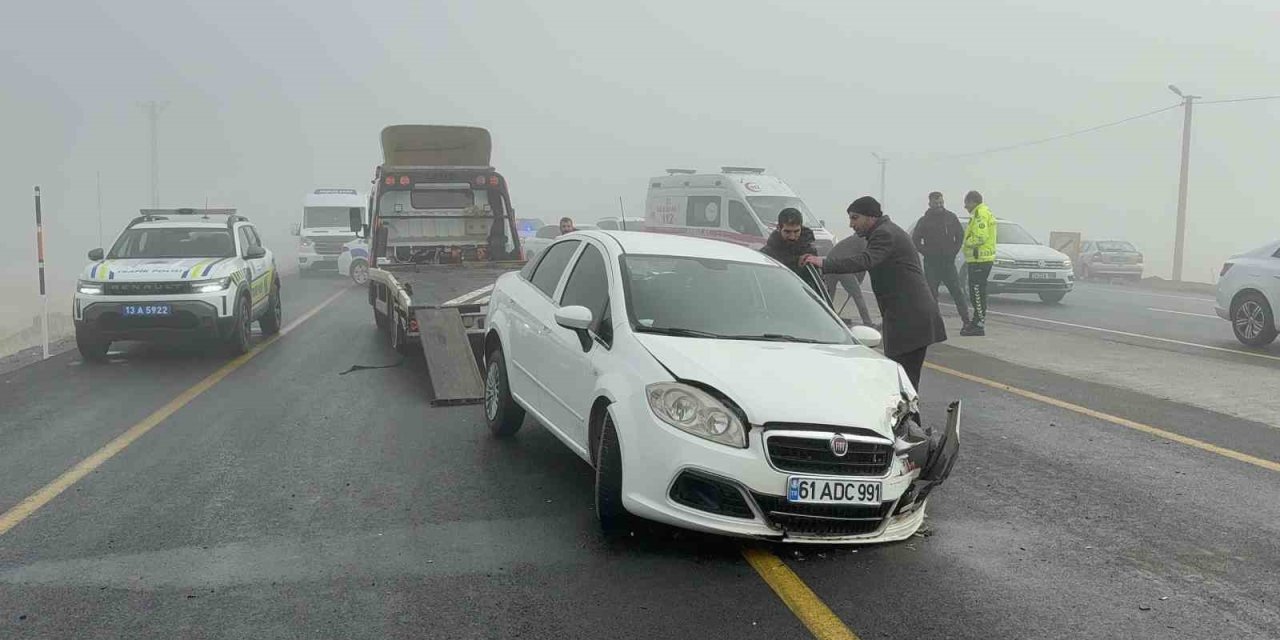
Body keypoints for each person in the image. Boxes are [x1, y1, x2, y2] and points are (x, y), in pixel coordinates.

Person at [802, 196, 946, 392]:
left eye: (855, 218)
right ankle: (910, 421)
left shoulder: (884, 234)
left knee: (903, 382)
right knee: (903, 381)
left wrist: (824, 263)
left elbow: (865, 260)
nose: (851, 224)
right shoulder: (884, 231)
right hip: (906, 316)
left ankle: (910, 422)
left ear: (870, 217)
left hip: (910, 317)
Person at [911, 192, 971, 330]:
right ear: (930, 204)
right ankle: (934, 324)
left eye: (941, 203)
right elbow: (916, 240)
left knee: (957, 292)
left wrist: (954, 251)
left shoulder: (951, 218)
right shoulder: (924, 220)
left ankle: (966, 321)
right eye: (936, 203)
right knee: (932, 294)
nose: (939, 206)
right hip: (931, 263)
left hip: (948, 262)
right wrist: (926, 252)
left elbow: (960, 236)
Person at [760, 208, 823, 295]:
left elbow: (818, 283)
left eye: (796, 231)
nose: (792, 237)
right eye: (787, 232)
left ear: (801, 227)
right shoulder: (767, 254)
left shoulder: (809, 251)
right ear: (778, 228)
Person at [960, 191, 997, 337]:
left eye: (967, 203)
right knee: (978, 292)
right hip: (980, 259)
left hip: (979, 259)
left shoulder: (980, 214)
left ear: (973, 202)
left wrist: (967, 243)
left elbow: (980, 237)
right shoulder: (983, 212)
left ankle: (978, 324)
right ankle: (977, 322)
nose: (965, 206)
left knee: (977, 292)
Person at [822, 234, 876, 328]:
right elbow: (864, 262)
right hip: (841, 267)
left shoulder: (852, 239)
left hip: (829, 264)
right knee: (858, 296)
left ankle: (825, 318)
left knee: (828, 296)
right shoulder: (864, 240)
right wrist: (858, 282)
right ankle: (868, 323)